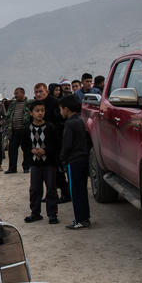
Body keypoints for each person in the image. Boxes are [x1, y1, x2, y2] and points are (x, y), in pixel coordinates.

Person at [21, 101, 60, 224]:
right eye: (37, 110)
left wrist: (45, 150)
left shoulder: (50, 127)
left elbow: (56, 144)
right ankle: (35, 213)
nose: (40, 113)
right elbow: (24, 145)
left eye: (42, 110)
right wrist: (31, 150)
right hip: (35, 164)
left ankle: (52, 214)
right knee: (35, 189)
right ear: (31, 112)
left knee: (51, 189)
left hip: (49, 163)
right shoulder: (27, 128)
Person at [59, 95, 91, 230]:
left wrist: (62, 158)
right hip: (84, 158)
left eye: (60, 109)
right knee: (82, 190)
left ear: (66, 109)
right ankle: (85, 217)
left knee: (75, 192)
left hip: (74, 160)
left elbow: (67, 144)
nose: (60, 112)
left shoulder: (69, 123)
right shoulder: (81, 120)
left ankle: (80, 219)